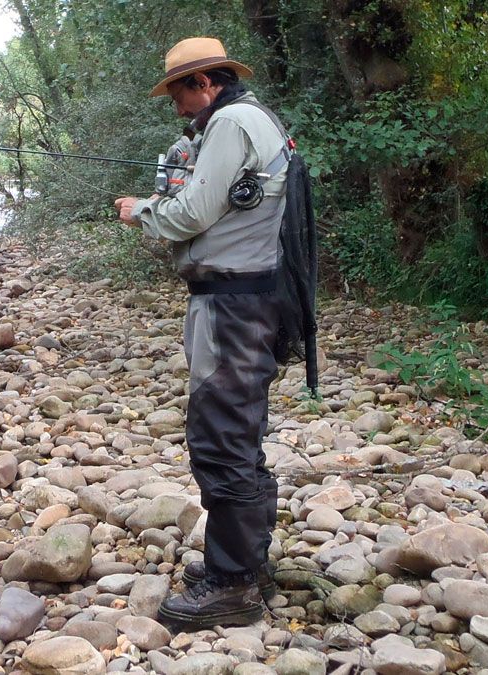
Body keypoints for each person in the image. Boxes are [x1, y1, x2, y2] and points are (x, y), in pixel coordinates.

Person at [114, 36, 290, 628]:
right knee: (238, 430)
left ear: (205, 83)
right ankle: (249, 563)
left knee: (219, 436)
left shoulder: (232, 122)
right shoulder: (252, 118)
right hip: (249, 299)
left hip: (233, 304)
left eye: (180, 94)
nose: (178, 108)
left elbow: (192, 214)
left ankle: (232, 585)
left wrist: (141, 209)